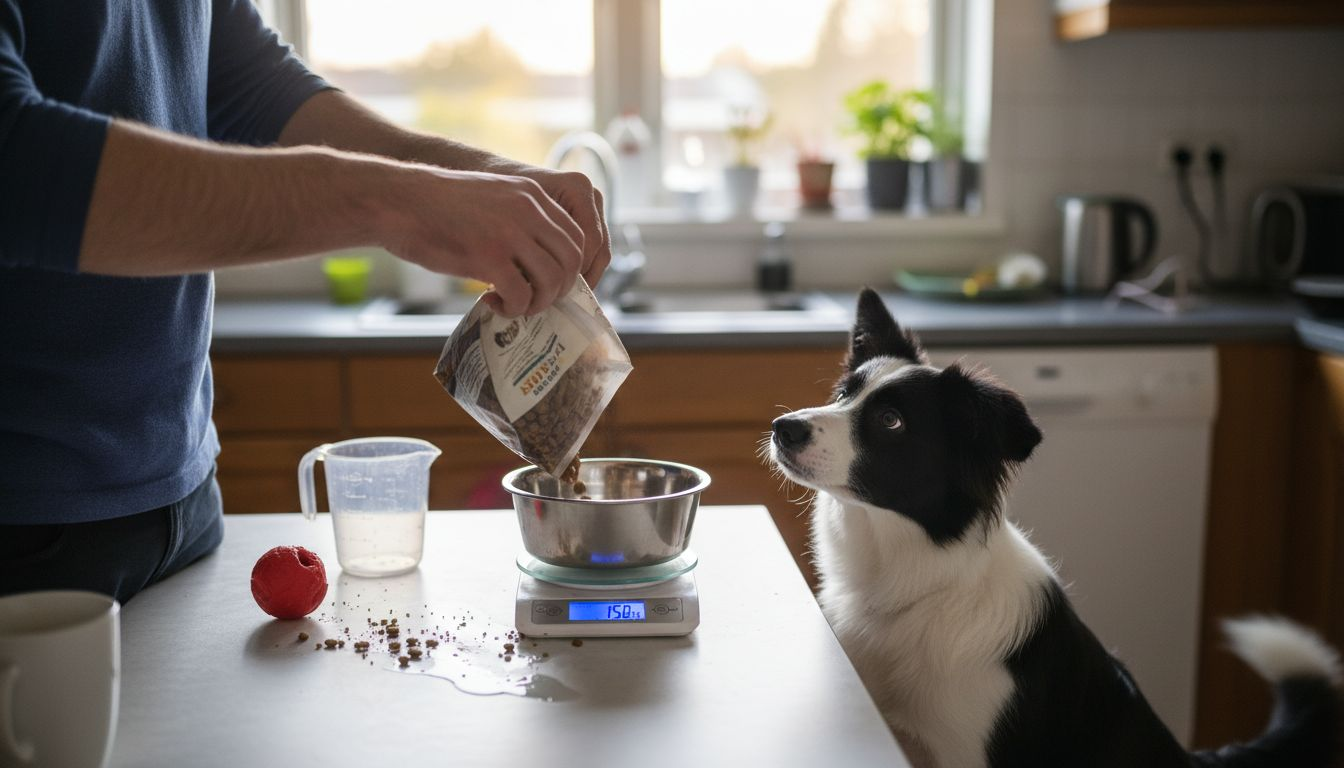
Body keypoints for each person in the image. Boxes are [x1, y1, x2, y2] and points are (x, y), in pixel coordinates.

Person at [0, 0, 611, 602]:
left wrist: (485, 178)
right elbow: (17, 157)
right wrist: (395, 203)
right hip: (26, 521)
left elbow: (251, 87)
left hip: (184, 498)